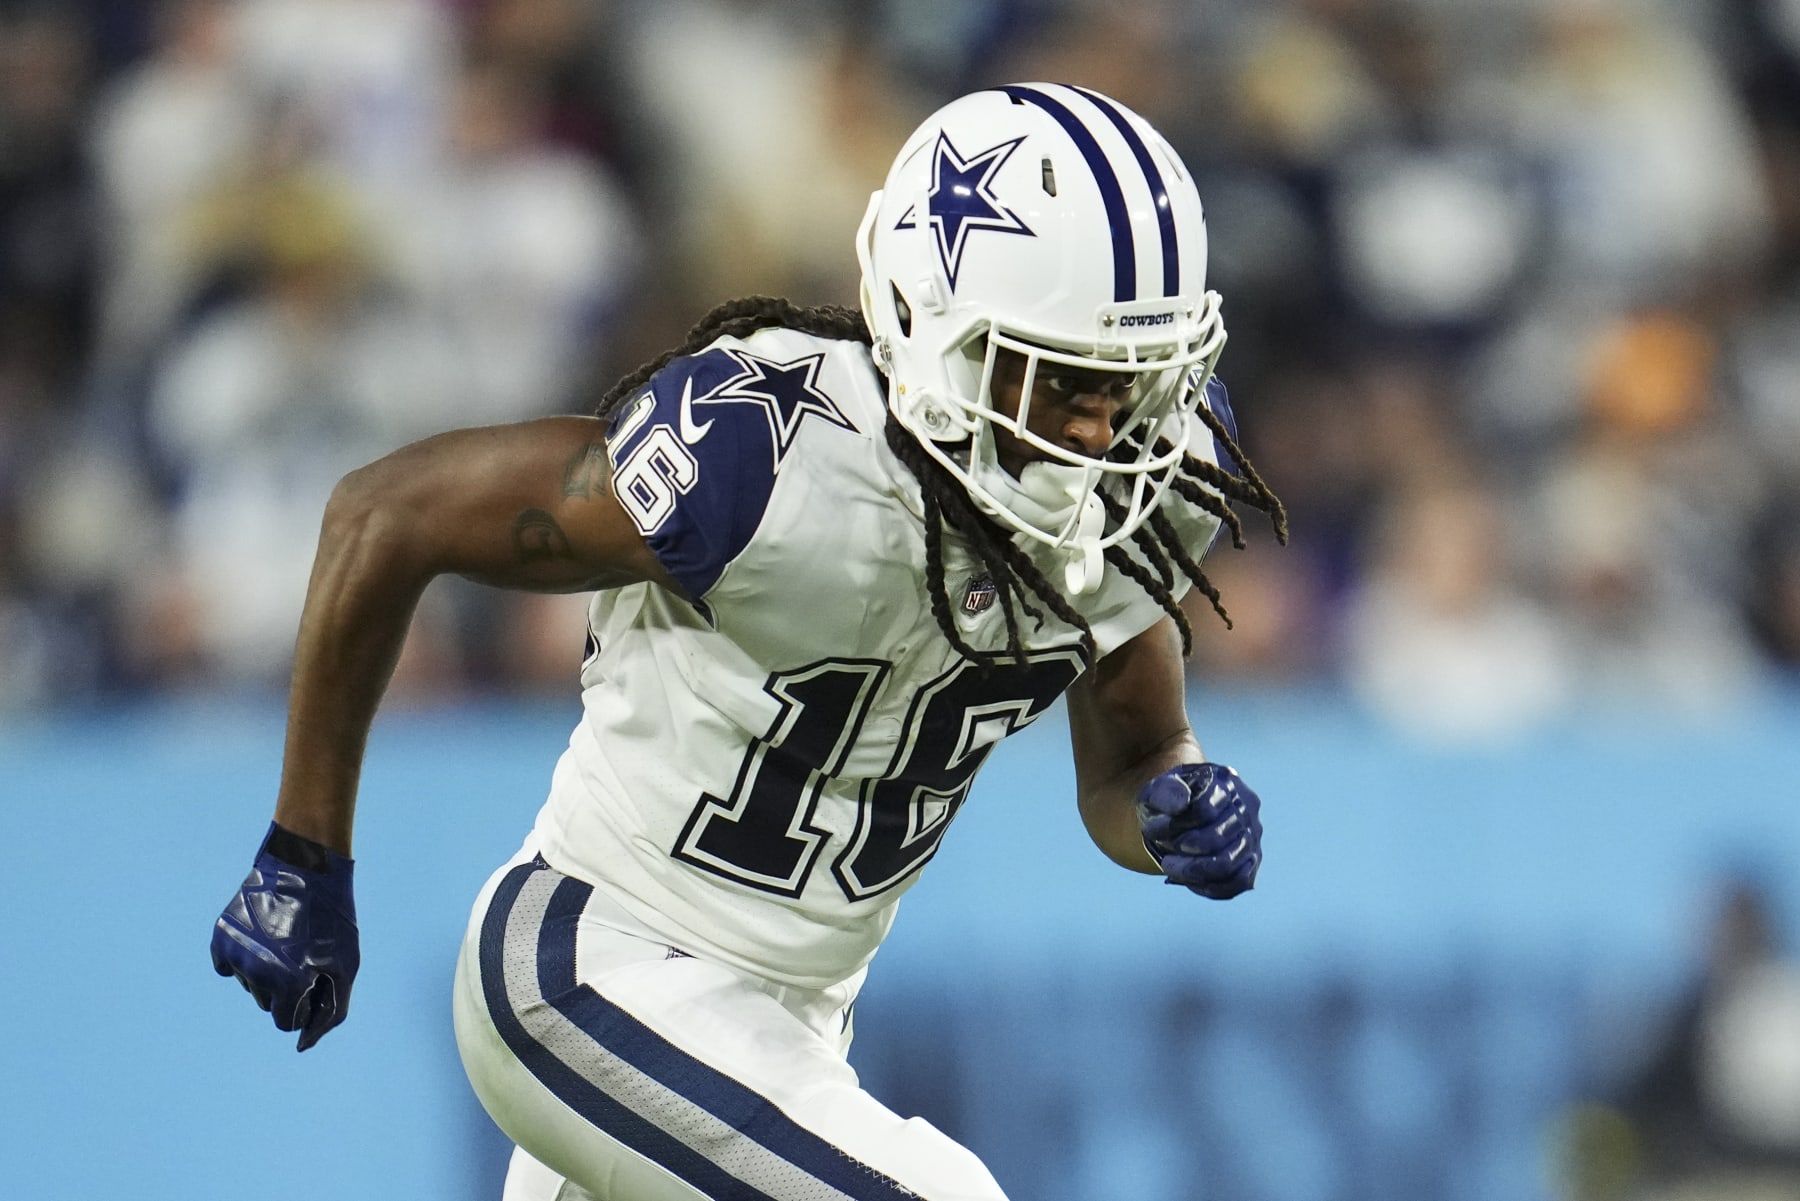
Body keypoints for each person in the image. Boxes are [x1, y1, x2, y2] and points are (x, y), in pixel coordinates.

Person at [210, 82, 1288, 1200]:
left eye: (1132, 378)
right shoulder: (767, 453)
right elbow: (387, 512)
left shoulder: (1139, 484)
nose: (1099, 429)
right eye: (1065, 378)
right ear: (933, 324)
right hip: (589, 967)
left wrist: (1176, 810)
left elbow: (1129, 762)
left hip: (780, 1038)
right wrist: (303, 852)